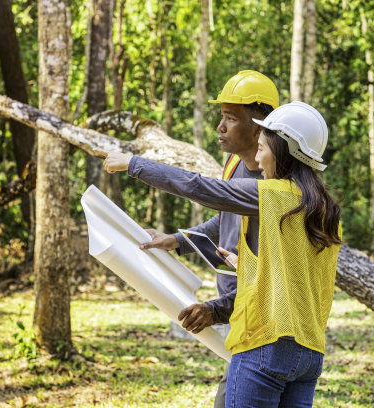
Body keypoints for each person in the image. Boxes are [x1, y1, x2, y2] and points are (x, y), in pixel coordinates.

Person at [103, 101, 342, 407]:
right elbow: (292, 282)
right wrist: (185, 244)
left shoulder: (271, 194)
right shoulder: (324, 208)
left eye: (263, 147)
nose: (256, 156)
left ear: (283, 152)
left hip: (265, 344)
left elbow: (200, 187)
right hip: (309, 354)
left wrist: (134, 164)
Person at [134, 70, 279, 407]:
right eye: (221, 116)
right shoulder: (233, 163)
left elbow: (268, 283)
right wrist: (178, 240)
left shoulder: (275, 180)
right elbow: (225, 218)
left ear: (259, 126)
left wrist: (215, 310)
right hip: (236, 313)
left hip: (260, 321)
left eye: (231, 118)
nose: (221, 127)